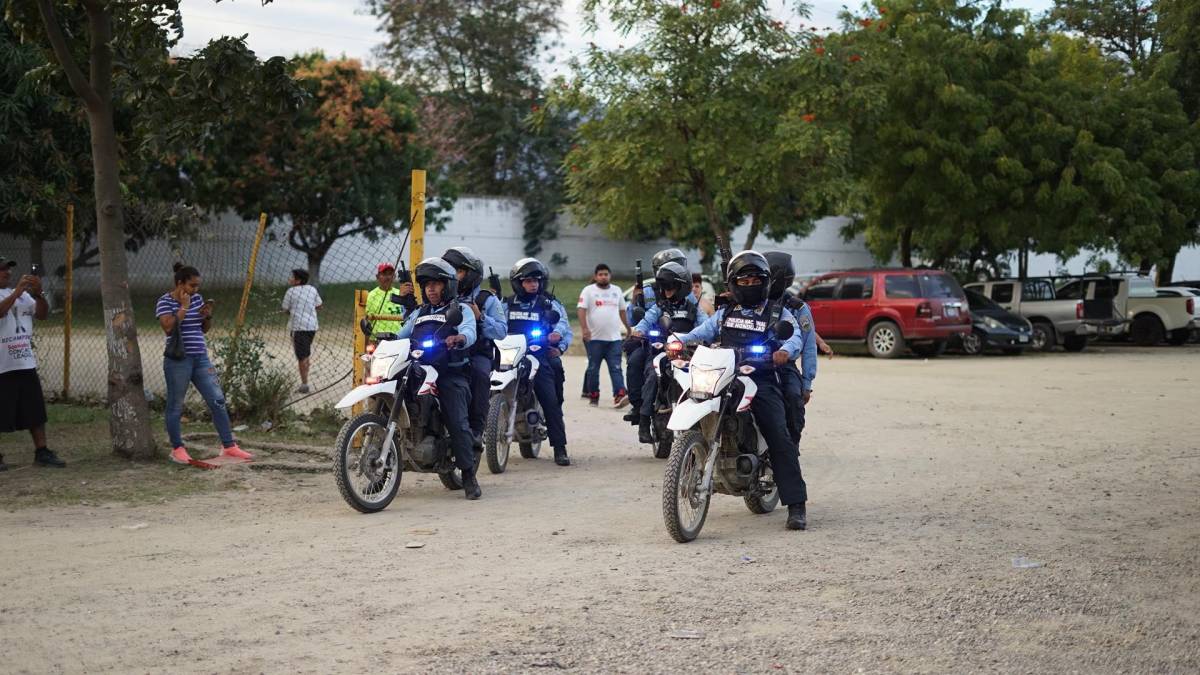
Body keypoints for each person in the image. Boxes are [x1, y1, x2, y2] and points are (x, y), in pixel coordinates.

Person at [674, 251, 815, 531]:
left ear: (765, 282)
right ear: (734, 283)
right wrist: (677, 340)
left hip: (760, 378)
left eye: (755, 279)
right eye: (744, 279)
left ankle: (796, 505)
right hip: (724, 374)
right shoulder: (726, 313)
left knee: (778, 433)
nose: (749, 284)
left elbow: (796, 337)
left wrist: (784, 351)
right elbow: (700, 332)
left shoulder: (778, 312)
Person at [395, 257, 482, 500]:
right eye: (427, 285)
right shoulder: (419, 312)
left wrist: (460, 339)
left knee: (456, 419)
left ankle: (468, 475)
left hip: (449, 372)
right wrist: (385, 338)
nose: (431, 289)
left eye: (437, 284)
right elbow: (402, 334)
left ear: (448, 286)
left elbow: (469, 331)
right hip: (418, 369)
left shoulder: (460, 308)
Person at [156, 263, 252, 465]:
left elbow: (204, 329)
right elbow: (168, 328)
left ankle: (229, 446)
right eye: (192, 285)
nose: (195, 290)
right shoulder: (165, 301)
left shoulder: (197, 299)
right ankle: (177, 448)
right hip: (178, 361)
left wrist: (206, 316)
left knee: (217, 400)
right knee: (175, 405)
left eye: (198, 286)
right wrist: (183, 307)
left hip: (200, 358)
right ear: (180, 283)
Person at [505, 258, 573, 466]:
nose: (533, 284)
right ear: (518, 283)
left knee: (550, 400)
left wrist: (556, 336)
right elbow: (497, 323)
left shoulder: (550, 303)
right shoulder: (506, 303)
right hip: (510, 355)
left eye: (536, 280)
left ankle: (559, 448)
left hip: (538, 354)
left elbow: (563, 325)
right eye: (527, 281)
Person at [0, 256, 65, 471]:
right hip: (3, 365)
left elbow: (42, 314)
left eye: (8, 269)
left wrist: (37, 293)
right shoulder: (14, 294)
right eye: (2, 269)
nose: (7, 273)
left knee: (35, 410)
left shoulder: (22, 297)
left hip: (25, 361)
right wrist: (17, 291)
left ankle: (42, 451)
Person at [442, 246, 507, 452]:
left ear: (471, 273)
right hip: (449, 352)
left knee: (479, 374)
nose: (454, 276)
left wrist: (481, 318)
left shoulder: (487, 299)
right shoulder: (444, 296)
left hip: (478, 353)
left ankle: (477, 430)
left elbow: (502, 331)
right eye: (451, 271)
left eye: (459, 271)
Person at [628, 261, 699, 443]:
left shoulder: (694, 308)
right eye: (664, 287)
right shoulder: (659, 307)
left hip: (689, 354)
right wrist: (638, 330)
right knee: (652, 375)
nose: (667, 290)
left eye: (671, 286)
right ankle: (644, 421)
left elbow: (706, 326)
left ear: (682, 287)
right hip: (663, 353)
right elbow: (644, 321)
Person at [765, 251, 818, 444]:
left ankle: (790, 449)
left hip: (783, 363)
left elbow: (809, 345)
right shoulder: (751, 301)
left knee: (794, 399)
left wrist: (807, 383)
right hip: (748, 361)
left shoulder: (797, 308)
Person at [577, 263, 630, 408]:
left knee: (616, 367)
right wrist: (584, 329)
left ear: (610, 276)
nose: (603, 277)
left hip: (614, 339)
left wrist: (628, 328)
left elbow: (622, 311)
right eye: (600, 274)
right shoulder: (588, 291)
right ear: (595, 276)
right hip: (594, 339)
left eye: (606, 274)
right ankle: (593, 394)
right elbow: (581, 310)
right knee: (593, 368)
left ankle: (619, 395)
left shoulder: (617, 290)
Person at [281, 268, 322, 394]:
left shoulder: (290, 292)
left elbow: (285, 309)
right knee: (306, 353)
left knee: (301, 356)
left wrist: (292, 311)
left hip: (298, 327)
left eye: (292, 277)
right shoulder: (312, 289)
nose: (290, 279)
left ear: (298, 280)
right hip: (312, 326)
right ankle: (305, 380)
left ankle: (304, 384)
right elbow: (319, 305)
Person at [366, 262, 415, 336]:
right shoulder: (370, 296)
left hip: (398, 337)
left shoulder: (400, 293)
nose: (388, 277)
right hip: (378, 338)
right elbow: (366, 321)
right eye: (384, 274)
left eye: (390, 274)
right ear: (377, 276)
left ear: (394, 276)